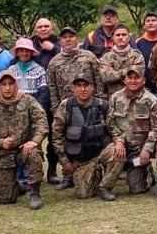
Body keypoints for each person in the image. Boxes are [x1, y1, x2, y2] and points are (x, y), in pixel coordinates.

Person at [0, 70, 49, 210]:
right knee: (5, 199)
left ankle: (35, 193)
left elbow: (42, 122)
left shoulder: (27, 100)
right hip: (1, 155)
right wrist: (0, 142)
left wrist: (35, 141)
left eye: (11, 83)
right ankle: (18, 186)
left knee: (33, 154)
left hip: (23, 149)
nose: (7, 87)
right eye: (4, 84)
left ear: (16, 84)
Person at [47, 26, 102, 191]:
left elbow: (98, 80)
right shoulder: (54, 62)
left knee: (90, 138)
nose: (68, 39)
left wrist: (99, 102)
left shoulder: (89, 57)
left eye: (71, 36)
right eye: (64, 37)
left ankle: (94, 171)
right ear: (60, 41)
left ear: (76, 39)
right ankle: (68, 175)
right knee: (68, 140)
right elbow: (52, 87)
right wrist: (56, 109)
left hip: (89, 105)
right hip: (66, 109)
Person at [50, 73, 119, 201]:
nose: (83, 89)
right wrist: (64, 161)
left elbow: (114, 128)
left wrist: (119, 142)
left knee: (118, 153)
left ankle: (105, 187)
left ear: (92, 87)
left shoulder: (103, 105)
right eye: (79, 86)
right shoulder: (66, 106)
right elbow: (56, 135)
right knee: (83, 194)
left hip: (101, 151)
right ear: (73, 89)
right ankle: (93, 173)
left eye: (86, 85)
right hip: (80, 157)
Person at [107, 68, 157, 199]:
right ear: (124, 80)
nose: (133, 81)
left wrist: (147, 149)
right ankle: (139, 168)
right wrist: (118, 140)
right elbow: (110, 122)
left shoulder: (152, 100)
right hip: (124, 147)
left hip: (145, 146)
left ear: (144, 81)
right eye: (130, 78)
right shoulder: (115, 98)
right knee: (136, 188)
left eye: (137, 78)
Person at [8, 38, 53, 183]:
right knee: (15, 144)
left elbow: (44, 93)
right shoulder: (11, 70)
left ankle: (29, 177)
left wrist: (36, 113)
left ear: (32, 53)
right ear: (17, 52)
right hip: (14, 114)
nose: (24, 53)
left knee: (31, 145)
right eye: (21, 50)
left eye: (27, 50)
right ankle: (17, 176)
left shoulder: (39, 70)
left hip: (33, 112)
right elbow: (6, 92)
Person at [98, 24, 144, 95]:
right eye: (118, 35)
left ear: (129, 37)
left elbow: (137, 77)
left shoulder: (137, 55)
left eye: (124, 35)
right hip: (113, 97)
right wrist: (127, 71)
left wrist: (114, 73)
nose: (120, 37)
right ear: (113, 38)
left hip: (134, 96)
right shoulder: (106, 57)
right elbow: (106, 77)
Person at [133, 12, 157, 92]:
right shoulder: (138, 43)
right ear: (144, 25)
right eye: (148, 21)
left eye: (153, 20)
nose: (150, 23)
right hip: (144, 87)